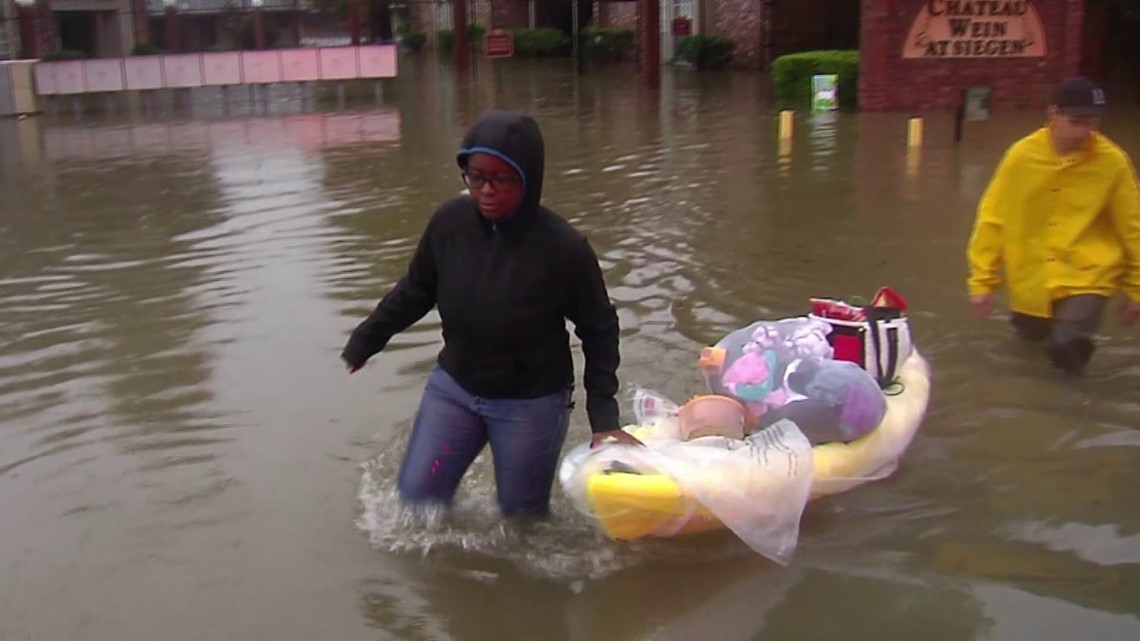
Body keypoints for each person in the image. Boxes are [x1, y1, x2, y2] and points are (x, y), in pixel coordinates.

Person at [341, 110, 642, 518]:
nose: (486, 190)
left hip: (530, 404)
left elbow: (599, 328)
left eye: (502, 180)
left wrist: (604, 417)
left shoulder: (563, 249)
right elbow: (417, 288)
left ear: (529, 179)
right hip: (455, 390)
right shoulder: (450, 224)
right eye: (476, 176)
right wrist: (368, 339)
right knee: (416, 501)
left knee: (521, 519)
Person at [967, 76, 1140, 375]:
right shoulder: (1021, 156)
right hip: (1031, 281)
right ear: (1054, 114)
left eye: (1093, 122)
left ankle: (1074, 407)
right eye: (1077, 122)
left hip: (1089, 275)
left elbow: (1133, 225)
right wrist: (983, 280)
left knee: (1065, 344)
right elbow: (993, 217)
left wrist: (1136, 289)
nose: (1086, 131)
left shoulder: (1113, 163)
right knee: (1028, 350)